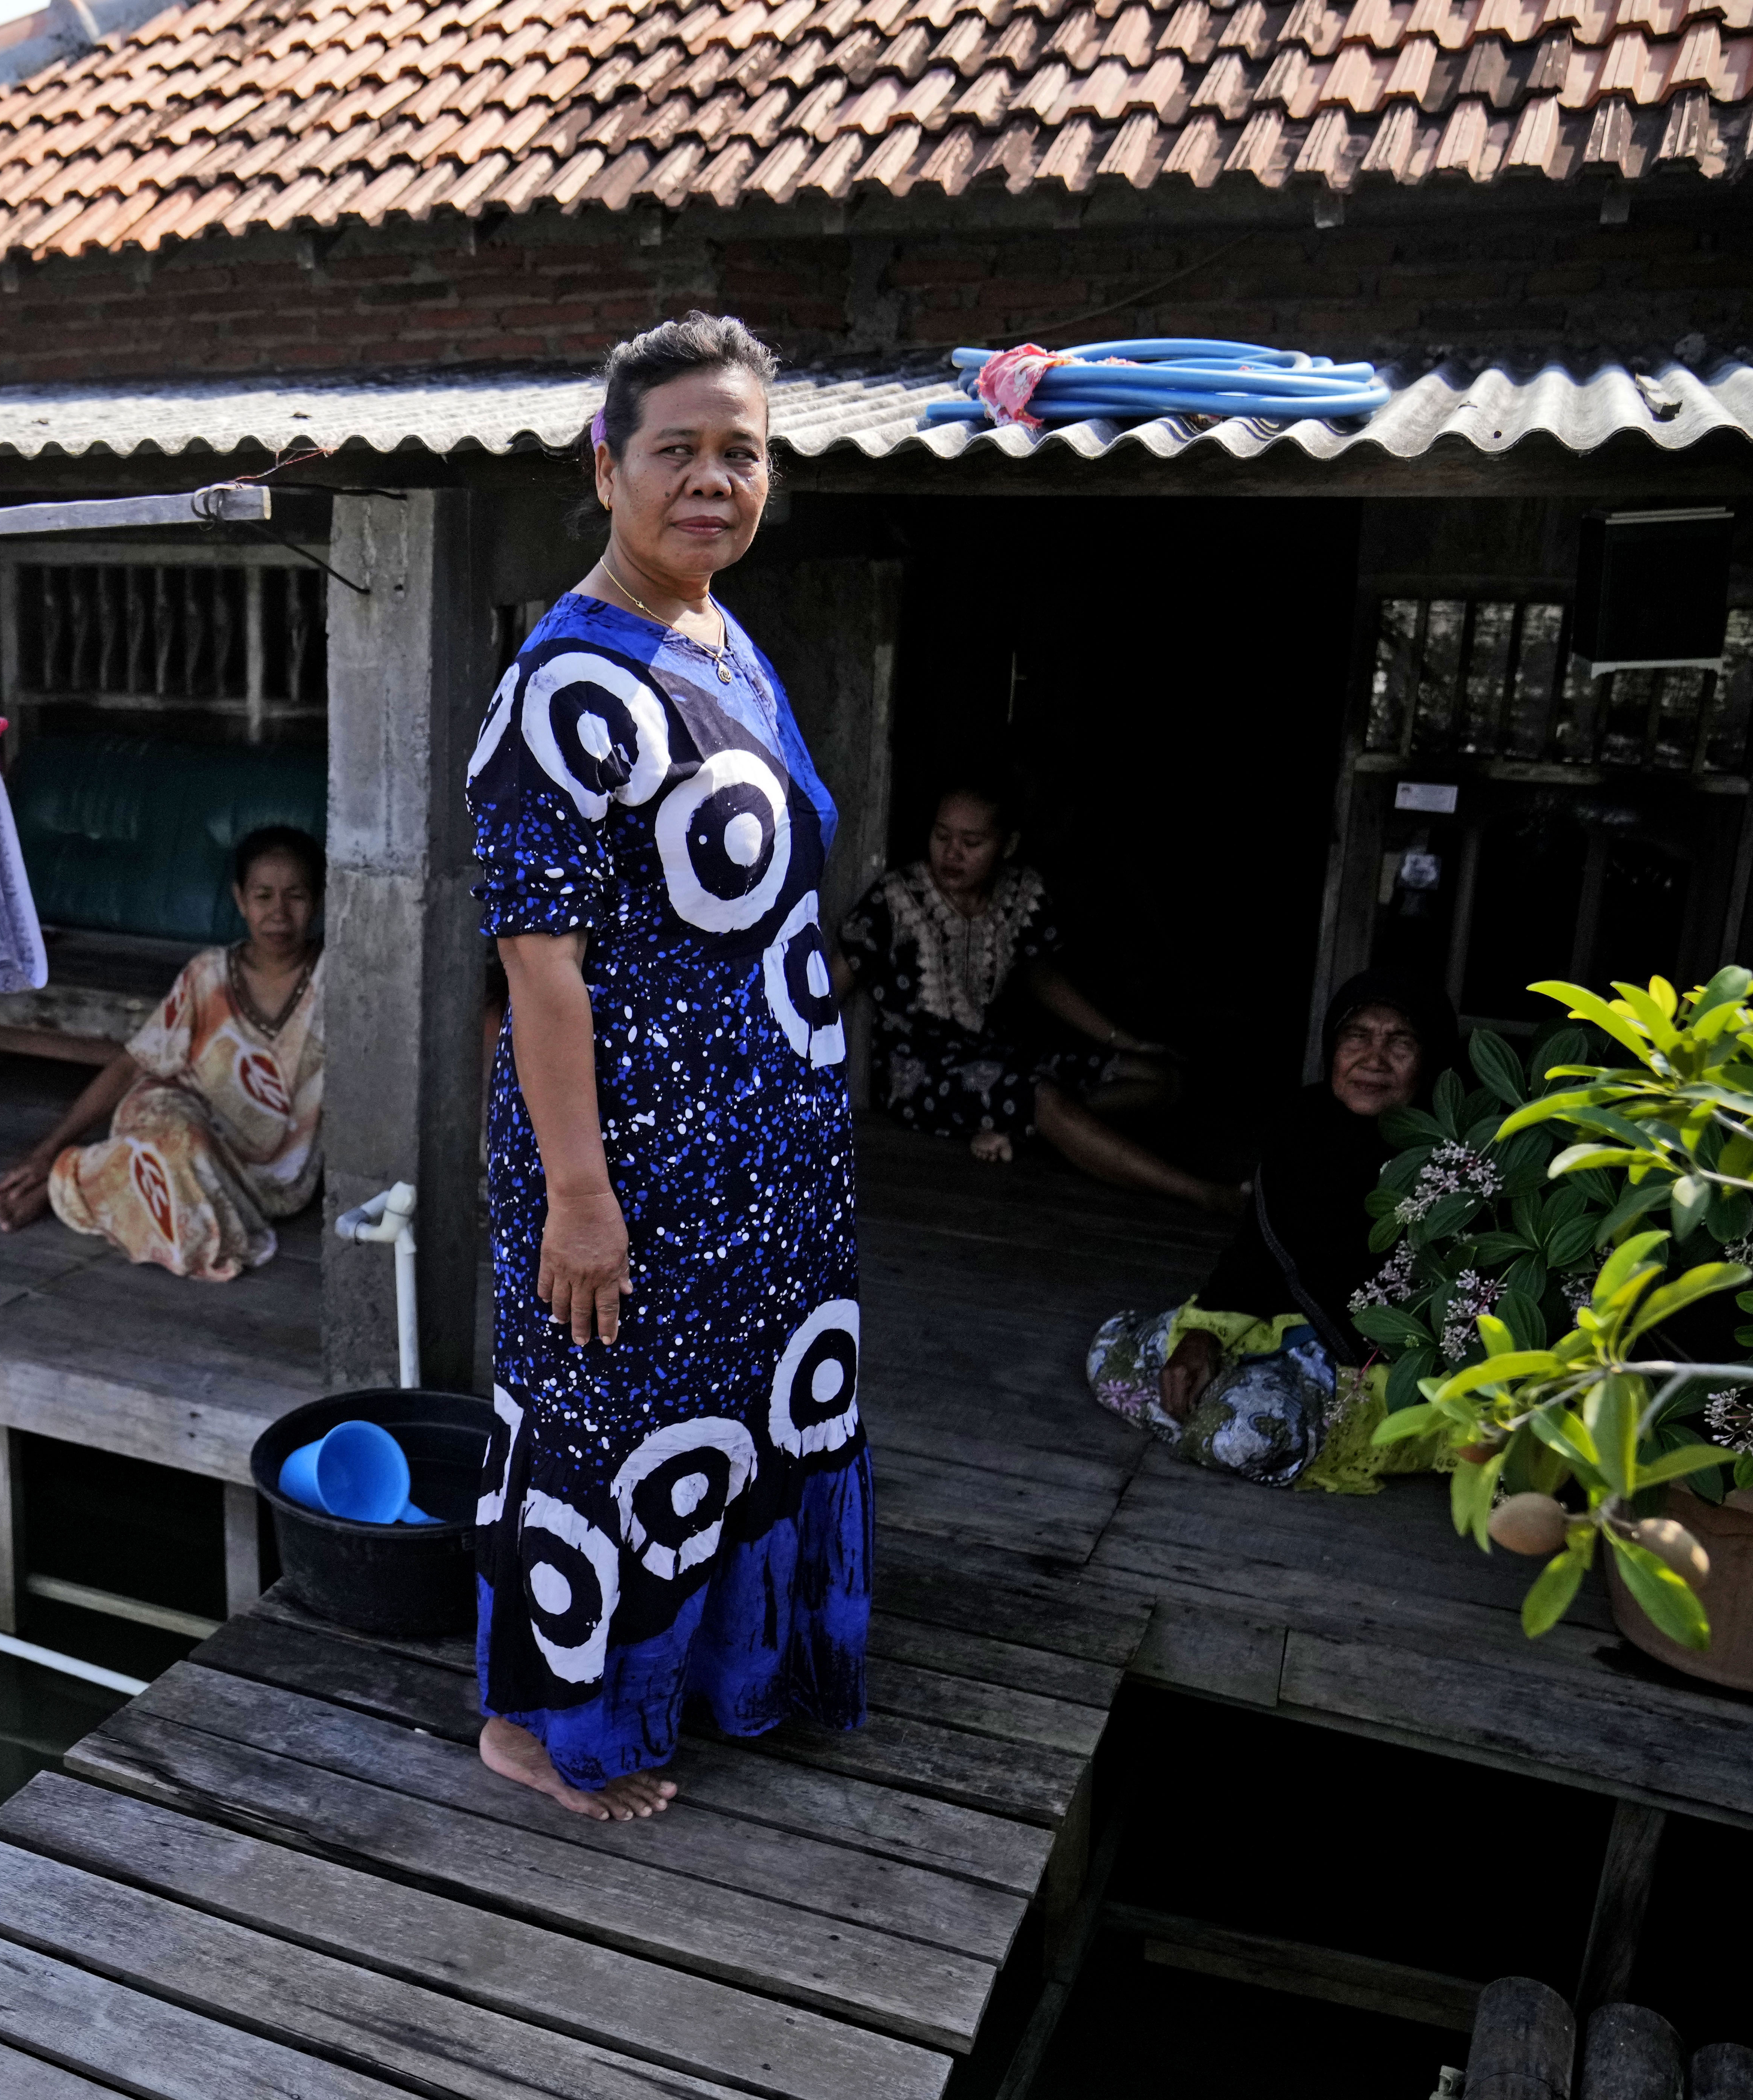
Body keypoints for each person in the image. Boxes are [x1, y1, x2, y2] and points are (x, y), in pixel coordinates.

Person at [471, 313, 868, 1826]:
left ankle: (717, 1680)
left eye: (741, 453)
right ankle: (545, 1722)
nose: (712, 481)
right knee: (608, 1434)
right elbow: (540, 966)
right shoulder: (563, 687)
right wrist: (580, 1195)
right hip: (630, 1162)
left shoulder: (720, 636)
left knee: (736, 1423)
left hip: (764, 1164)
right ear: (606, 468)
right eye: (677, 451)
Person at [1086, 970, 1459, 1489]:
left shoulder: (1451, 1159)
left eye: (1401, 1042)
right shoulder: (1304, 1122)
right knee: (1108, 1353)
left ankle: (1241, 1427)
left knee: (1246, 1434)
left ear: (1432, 1060)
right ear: (1334, 1047)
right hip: (1268, 1334)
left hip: (1363, 1373)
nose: (1374, 1058)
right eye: (1358, 1036)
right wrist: (1202, 1338)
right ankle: (1225, 1413)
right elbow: (1258, 1252)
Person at [840, 781, 1239, 1212]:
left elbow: (1044, 981)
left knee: (1160, 1079)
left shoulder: (1022, 894)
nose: (952, 853)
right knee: (1044, 1099)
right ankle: (1206, 1195)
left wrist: (1124, 1040)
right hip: (919, 1073)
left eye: (972, 842)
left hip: (1002, 1054)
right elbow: (828, 988)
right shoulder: (896, 899)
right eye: (941, 836)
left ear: (1008, 845)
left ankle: (1022, 1131)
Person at [0, 825, 326, 1281]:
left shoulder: (336, 978)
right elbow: (134, 1063)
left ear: (320, 901)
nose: (279, 914)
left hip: (268, 1169)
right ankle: (67, 1173)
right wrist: (48, 1148)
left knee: (182, 1162)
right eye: (263, 896)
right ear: (240, 900)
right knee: (177, 1145)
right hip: (175, 1115)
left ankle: (77, 1184)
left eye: (296, 896)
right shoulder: (208, 975)